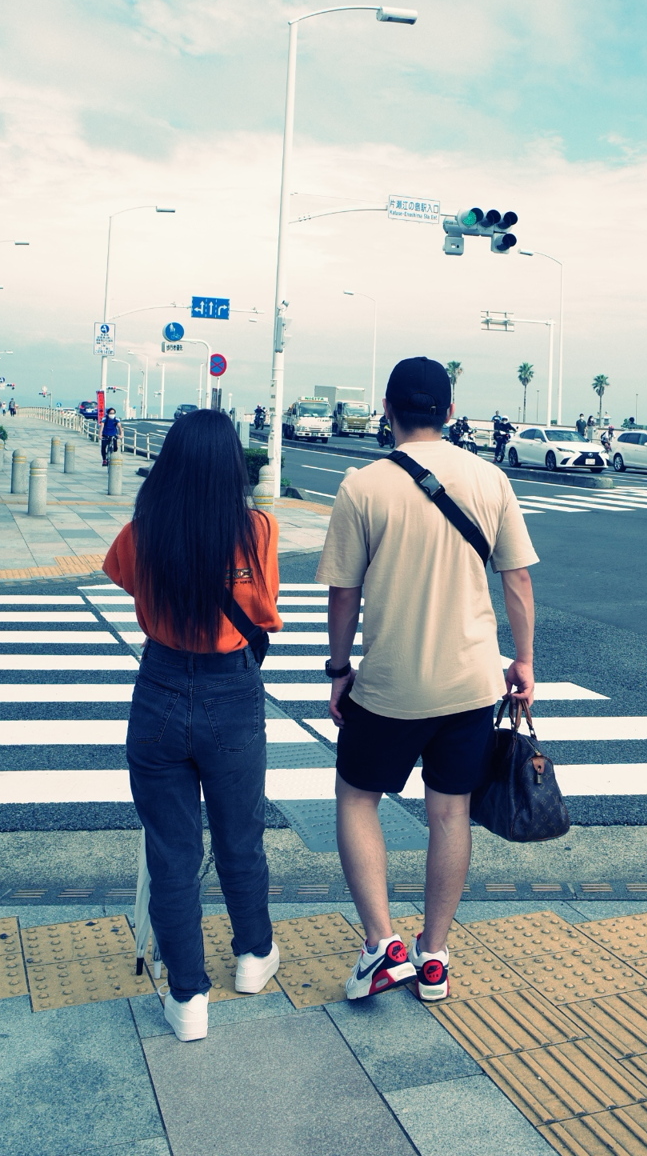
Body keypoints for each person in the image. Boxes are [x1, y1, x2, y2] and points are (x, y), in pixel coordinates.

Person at [318, 357, 538, 1003]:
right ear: (449, 411)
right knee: (451, 814)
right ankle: (434, 956)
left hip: (389, 686)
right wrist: (522, 662)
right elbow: (518, 579)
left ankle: (380, 945)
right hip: (470, 685)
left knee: (358, 800)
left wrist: (338, 671)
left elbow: (343, 593)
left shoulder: (362, 486)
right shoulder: (489, 478)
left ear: (388, 409)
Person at [102, 410, 282, 1042]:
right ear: (232, 465)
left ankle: (187, 997)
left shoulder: (141, 531)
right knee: (240, 837)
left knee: (172, 852)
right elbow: (264, 609)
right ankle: (254, 957)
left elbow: (125, 580)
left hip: (157, 690)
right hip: (231, 692)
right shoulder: (256, 530)